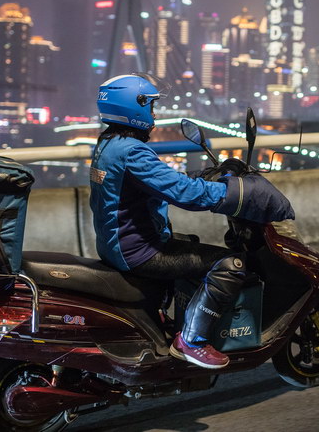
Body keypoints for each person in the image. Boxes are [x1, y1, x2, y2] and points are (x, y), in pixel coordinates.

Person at [89, 73, 294, 369]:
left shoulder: (109, 144)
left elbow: (161, 182)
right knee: (230, 264)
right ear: (136, 107)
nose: (154, 113)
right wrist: (235, 192)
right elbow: (187, 196)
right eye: (150, 105)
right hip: (138, 251)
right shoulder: (132, 152)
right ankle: (192, 340)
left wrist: (198, 177)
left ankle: (167, 318)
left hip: (116, 245)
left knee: (190, 244)